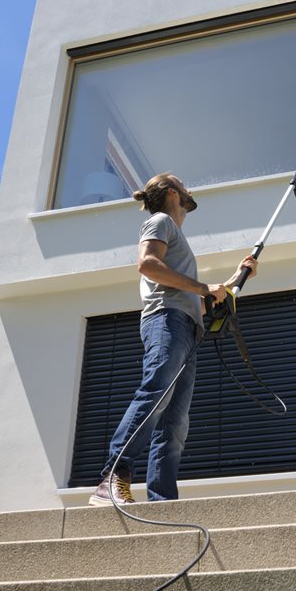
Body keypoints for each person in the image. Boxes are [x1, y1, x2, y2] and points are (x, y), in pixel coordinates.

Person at [90, 173, 258, 505]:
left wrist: (236, 279)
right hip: (166, 321)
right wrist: (203, 287)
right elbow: (148, 264)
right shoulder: (161, 221)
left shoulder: (176, 237)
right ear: (172, 193)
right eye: (183, 185)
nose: (189, 189)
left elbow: (200, 299)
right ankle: (111, 479)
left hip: (186, 327)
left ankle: (163, 501)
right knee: (156, 393)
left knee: (174, 423)